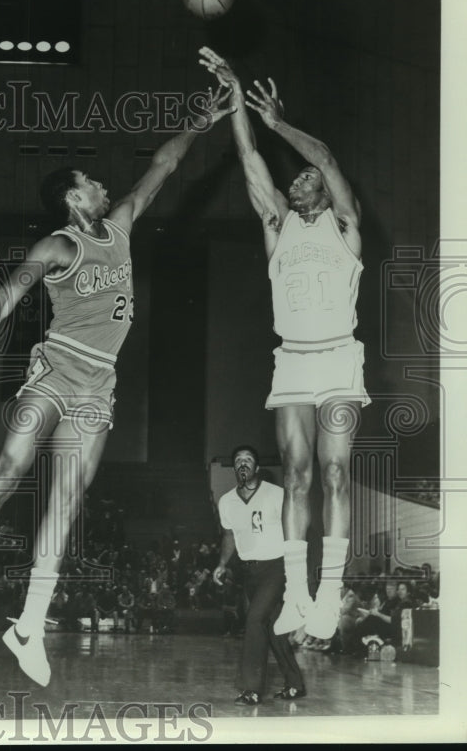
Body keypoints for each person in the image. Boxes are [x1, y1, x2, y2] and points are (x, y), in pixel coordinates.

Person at [0, 84, 234, 686]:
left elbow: (161, 168)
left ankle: (29, 626)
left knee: (67, 501)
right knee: (9, 469)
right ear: (71, 195)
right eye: (92, 181)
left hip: (98, 386)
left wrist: (197, 124)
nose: (105, 187)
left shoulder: (119, 228)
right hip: (57, 370)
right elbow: (7, 295)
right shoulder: (60, 244)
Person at [200, 46, 368, 641]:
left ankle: (331, 592)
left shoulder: (344, 225)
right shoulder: (278, 225)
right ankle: (297, 596)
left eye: (306, 176)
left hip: (341, 357)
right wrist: (238, 96)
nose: (299, 177)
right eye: (294, 177)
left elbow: (323, 154)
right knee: (295, 474)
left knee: (335, 473)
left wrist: (279, 124)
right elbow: (247, 159)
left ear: (324, 190)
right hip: (293, 359)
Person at [215, 445, 306, 705]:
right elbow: (229, 535)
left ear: (256, 468)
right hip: (249, 571)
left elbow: (295, 530)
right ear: (235, 468)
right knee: (274, 628)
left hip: (277, 566)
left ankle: (251, 688)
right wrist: (222, 563)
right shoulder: (227, 501)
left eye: (249, 459)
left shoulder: (277, 495)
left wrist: (297, 571)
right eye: (238, 460)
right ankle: (295, 684)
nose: (243, 463)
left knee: (254, 619)